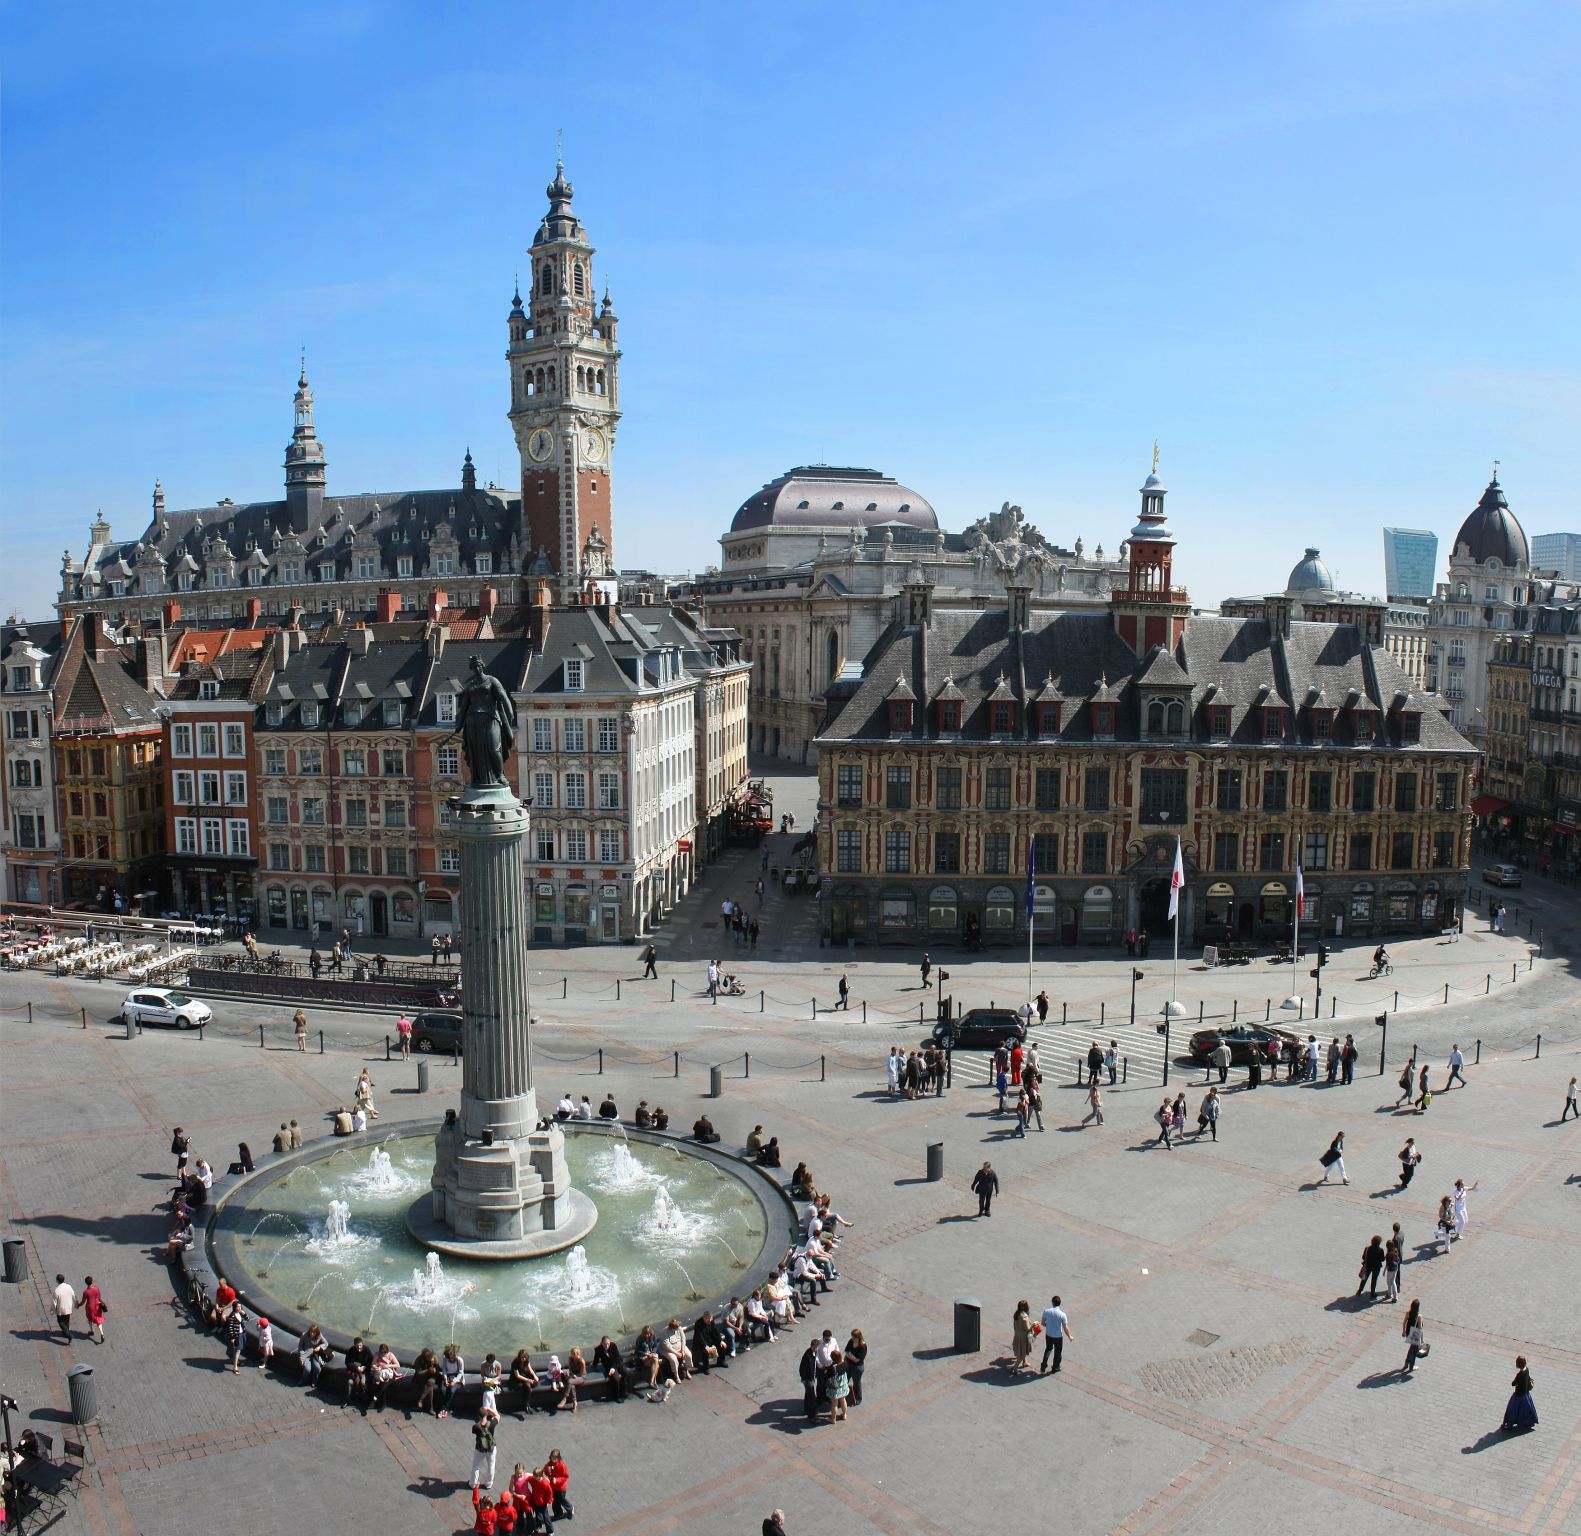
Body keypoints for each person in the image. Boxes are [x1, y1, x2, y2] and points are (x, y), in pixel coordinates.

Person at [1503, 1356, 1539, 1433]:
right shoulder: (1527, 1369)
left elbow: (1513, 1383)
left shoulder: (1520, 1375)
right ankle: (1528, 1423)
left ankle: (1509, 1425)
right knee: (1526, 1410)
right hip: (1526, 1394)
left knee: (1512, 1410)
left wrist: (1515, 1382)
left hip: (1518, 1395)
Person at [1040, 1295, 1073, 1375]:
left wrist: (1049, 1326)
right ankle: (1055, 1367)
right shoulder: (1062, 1315)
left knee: (1048, 1349)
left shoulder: (1046, 1311)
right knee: (1058, 1352)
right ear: (1060, 1303)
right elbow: (1065, 1328)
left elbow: (1042, 1323)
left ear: (1052, 1303)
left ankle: (1043, 1367)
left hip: (1048, 1335)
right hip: (1058, 1337)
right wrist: (1069, 1336)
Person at [594, 1335, 627, 1401]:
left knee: (625, 1372)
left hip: (617, 1362)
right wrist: (594, 1364)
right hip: (608, 1365)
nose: (607, 1346)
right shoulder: (598, 1349)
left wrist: (613, 1367)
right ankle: (617, 1396)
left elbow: (617, 1358)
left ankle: (624, 1392)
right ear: (602, 1343)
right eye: (605, 1344)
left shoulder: (613, 1345)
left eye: (608, 1344)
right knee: (616, 1379)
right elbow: (596, 1359)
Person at [471, 1411, 498, 1492]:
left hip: (480, 1449)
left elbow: (473, 1432)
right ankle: (488, 1484)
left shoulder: (476, 1427)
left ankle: (472, 1484)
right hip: (491, 1449)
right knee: (491, 1465)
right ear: (486, 1415)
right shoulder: (492, 1424)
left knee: (476, 1466)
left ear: (478, 1416)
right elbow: (498, 1416)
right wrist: (490, 1411)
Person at [299, 1324, 331, 1388]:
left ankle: (314, 1381)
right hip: (306, 1354)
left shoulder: (319, 1335)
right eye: (311, 1332)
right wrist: (302, 1356)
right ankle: (303, 1380)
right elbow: (300, 1346)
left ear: (317, 1332)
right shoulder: (304, 1335)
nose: (312, 1334)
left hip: (315, 1355)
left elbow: (326, 1343)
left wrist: (319, 1347)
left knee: (318, 1368)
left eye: (314, 1332)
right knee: (307, 1369)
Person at [344, 1335, 374, 1404]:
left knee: (363, 1382)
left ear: (362, 1344)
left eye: (360, 1345)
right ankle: (347, 1400)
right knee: (349, 1382)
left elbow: (371, 1361)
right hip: (354, 1371)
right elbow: (348, 1362)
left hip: (364, 1371)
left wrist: (365, 1367)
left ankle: (365, 1399)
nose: (359, 1348)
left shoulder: (367, 1350)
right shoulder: (351, 1350)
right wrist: (356, 1368)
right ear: (354, 1345)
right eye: (357, 1346)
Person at [412, 1347, 441, 1415]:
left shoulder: (434, 1358)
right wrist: (428, 1370)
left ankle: (421, 1400)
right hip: (421, 1377)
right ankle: (430, 1408)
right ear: (425, 1357)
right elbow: (418, 1372)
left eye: (431, 1356)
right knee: (430, 1386)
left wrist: (435, 1371)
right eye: (429, 1357)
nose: (431, 1358)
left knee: (430, 1382)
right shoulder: (419, 1359)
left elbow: (439, 1370)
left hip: (432, 1376)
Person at [545, 1450, 573, 1522]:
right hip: (553, 1487)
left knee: (562, 1500)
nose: (553, 1459)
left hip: (560, 1488)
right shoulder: (549, 1464)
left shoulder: (562, 1466)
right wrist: (547, 1470)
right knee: (555, 1502)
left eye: (555, 1458)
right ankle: (558, 1514)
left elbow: (565, 1476)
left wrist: (557, 1480)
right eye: (552, 1457)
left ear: (558, 1458)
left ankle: (570, 1509)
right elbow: (547, 1472)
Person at [1401, 1299, 1426, 1376]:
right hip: (1415, 1336)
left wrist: (1404, 1331)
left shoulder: (1408, 1313)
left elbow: (1404, 1322)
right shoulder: (1419, 1316)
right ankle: (1411, 1366)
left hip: (1409, 1333)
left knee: (1411, 1349)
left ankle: (1406, 1364)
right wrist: (1422, 1339)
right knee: (1414, 1351)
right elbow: (1420, 1329)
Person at [439, 1343, 465, 1417]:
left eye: (449, 1357)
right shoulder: (445, 1359)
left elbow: (461, 1372)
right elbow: (444, 1369)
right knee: (443, 1389)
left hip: (457, 1377)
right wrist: (445, 1379)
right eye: (447, 1357)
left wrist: (454, 1381)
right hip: (448, 1376)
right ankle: (445, 1409)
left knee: (451, 1390)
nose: (448, 1359)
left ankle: (444, 1409)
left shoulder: (460, 1360)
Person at [370, 1342, 399, 1408]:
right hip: (379, 1374)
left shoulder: (390, 1355)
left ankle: (374, 1400)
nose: (383, 1355)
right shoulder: (377, 1354)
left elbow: (398, 1365)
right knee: (383, 1386)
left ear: (387, 1352)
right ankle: (383, 1404)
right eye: (381, 1353)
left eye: (384, 1353)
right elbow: (372, 1364)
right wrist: (376, 1367)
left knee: (383, 1386)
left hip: (390, 1374)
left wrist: (388, 1365)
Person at [80, 1275, 107, 1344]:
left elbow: (83, 1302)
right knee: (98, 1320)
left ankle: (92, 1331)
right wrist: (103, 1303)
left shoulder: (86, 1292)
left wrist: (78, 1305)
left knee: (90, 1319)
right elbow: (99, 1298)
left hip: (90, 1308)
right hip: (97, 1306)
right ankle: (102, 1334)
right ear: (92, 1281)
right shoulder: (97, 1289)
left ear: (86, 1283)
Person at [800, 1338, 820, 1422]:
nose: (816, 1349)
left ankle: (806, 1409)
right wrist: (805, 1379)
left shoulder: (812, 1353)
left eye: (816, 1347)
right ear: (812, 1346)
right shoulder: (808, 1356)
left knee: (808, 1395)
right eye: (814, 1347)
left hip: (810, 1378)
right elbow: (802, 1368)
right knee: (812, 1398)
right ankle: (812, 1416)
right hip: (808, 1379)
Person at [1011, 1299, 1034, 1374]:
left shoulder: (1016, 1314)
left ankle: (1024, 1362)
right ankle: (1015, 1368)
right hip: (1023, 1337)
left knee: (1021, 1350)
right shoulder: (1025, 1317)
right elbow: (1027, 1329)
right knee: (1022, 1354)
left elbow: (1014, 1326)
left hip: (1017, 1334)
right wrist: (1033, 1324)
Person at [224, 1304, 247, 1375]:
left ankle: (234, 1360)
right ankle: (235, 1367)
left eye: (240, 1306)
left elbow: (247, 1319)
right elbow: (230, 1327)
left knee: (236, 1349)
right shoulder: (232, 1315)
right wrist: (232, 1337)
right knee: (238, 1350)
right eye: (238, 1306)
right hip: (236, 1335)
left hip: (241, 1334)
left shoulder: (240, 1314)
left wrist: (245, 1314)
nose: (239, 1308)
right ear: (234, 1307)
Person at [53, 1273, 76, 1342]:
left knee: (60, 1322)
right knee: (66, 1320)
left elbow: (54, 1301)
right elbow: (73, 1295)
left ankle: (68, 1334)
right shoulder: (69, 1286)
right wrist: (76, 1303)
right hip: (68, 1307)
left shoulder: (57, 1290)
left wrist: (52, 1309)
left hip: (60, 1309)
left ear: (57, 1281)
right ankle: (66, 1332)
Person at [1383, 1233, 1403, 1302]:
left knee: (1389, 1282)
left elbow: (1387, 1263)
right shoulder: (1395, 1250)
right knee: (1393, 1281)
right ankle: (1394, 1296)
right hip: (1395, 1268)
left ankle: (1391, 1294)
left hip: (1390, 1270)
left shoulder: (1388, 1254)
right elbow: (1398, 1259)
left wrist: (1384, 1270)